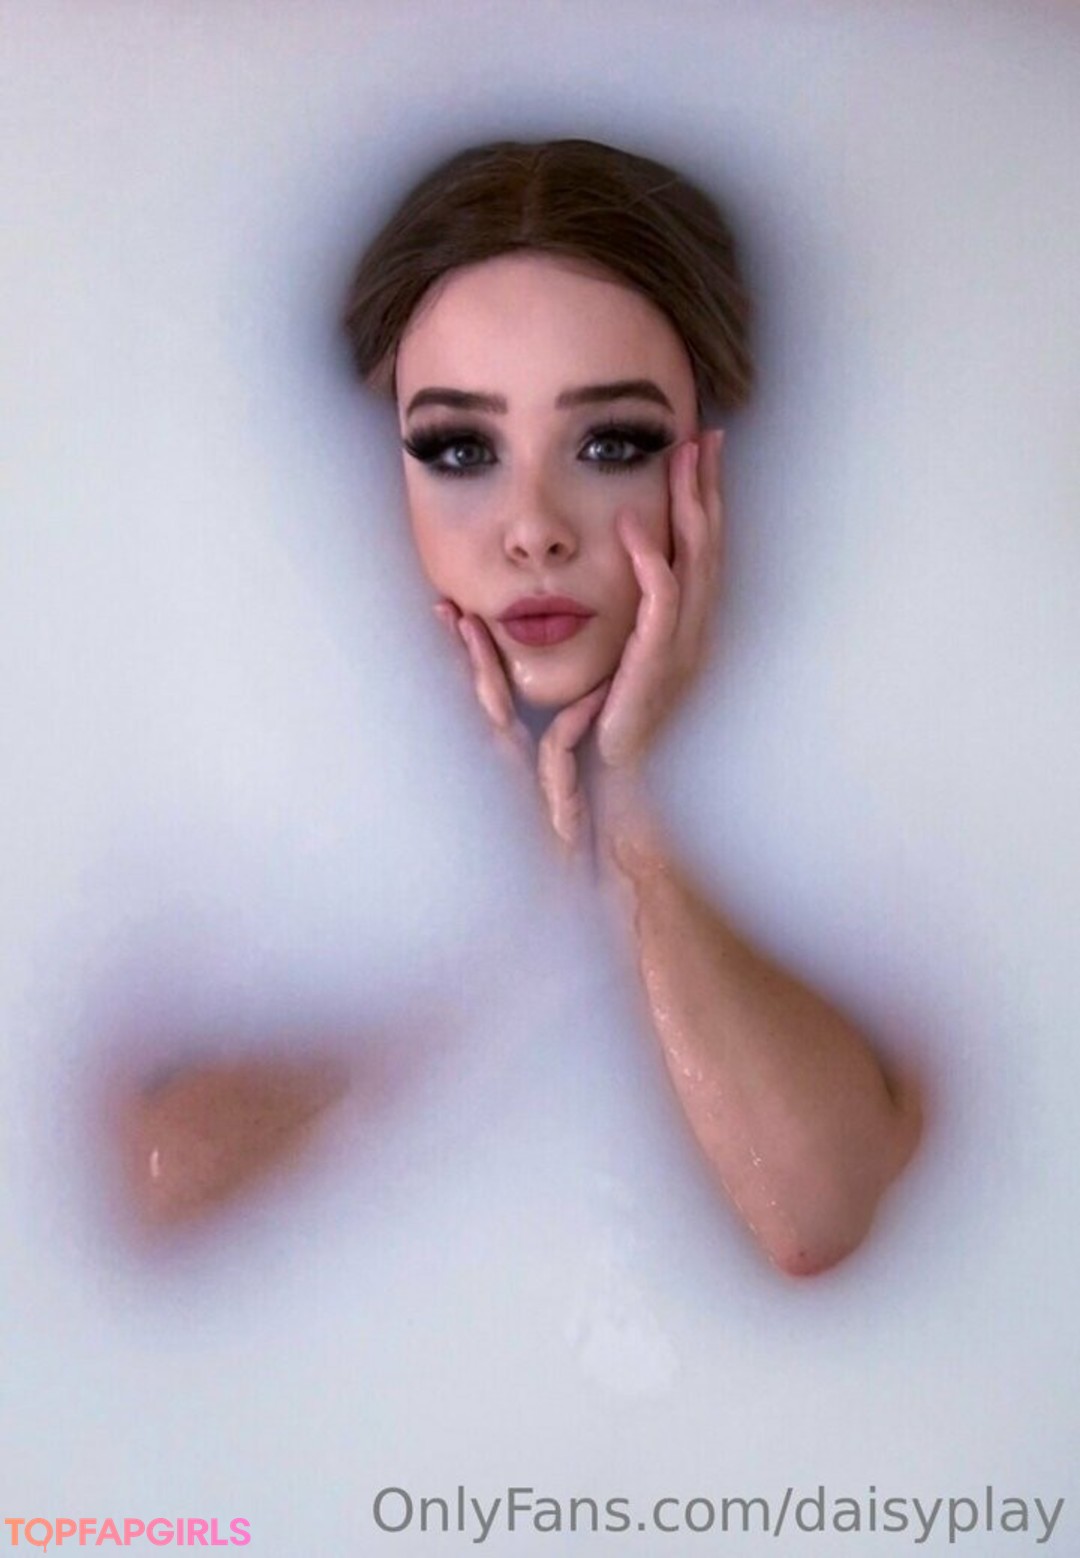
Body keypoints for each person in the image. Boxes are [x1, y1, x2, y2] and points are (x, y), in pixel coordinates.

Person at [342, 137, 924, 1278]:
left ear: (711, 469)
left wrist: (629, 807)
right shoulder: (240, 770)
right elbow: (140, 1197)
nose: (533, 528)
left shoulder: (883, 751)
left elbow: (815, 1217)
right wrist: (514, 929)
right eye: (459, 447)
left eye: (612, 443)